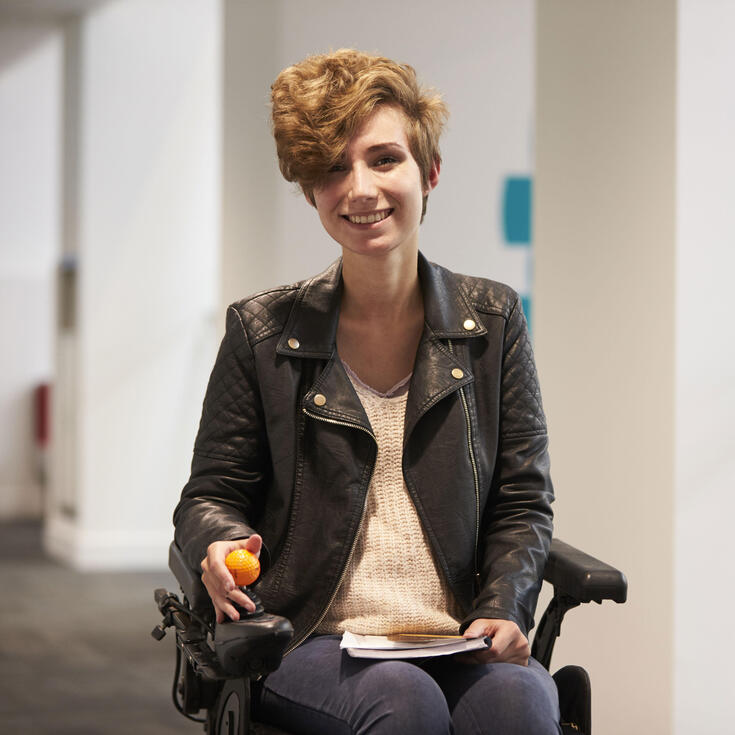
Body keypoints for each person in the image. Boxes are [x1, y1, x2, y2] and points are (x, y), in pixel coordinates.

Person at [174, 49, 560, 734]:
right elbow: (211, 495)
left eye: (383, 159)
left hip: (458, 634)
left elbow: (522, 497)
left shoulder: (493, 321)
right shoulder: (261, 333)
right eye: (332, 168)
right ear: (308, 190)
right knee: (403, 700)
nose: (358, 188)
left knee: (519, 700)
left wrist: (506, 603)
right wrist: (220, 541)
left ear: (429, 171)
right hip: (311, 636)